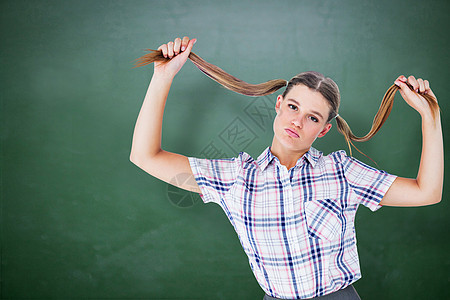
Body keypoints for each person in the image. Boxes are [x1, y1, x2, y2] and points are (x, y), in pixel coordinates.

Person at [129, 37, 443, 299]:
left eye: (313, 117)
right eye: (293, 107)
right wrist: (163, 76)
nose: (297, 121)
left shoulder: (342, 172)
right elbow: (145, 156)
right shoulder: (236, 179)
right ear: (279, 105)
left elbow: (427, 192)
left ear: (322, 131)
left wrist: (430, 118)